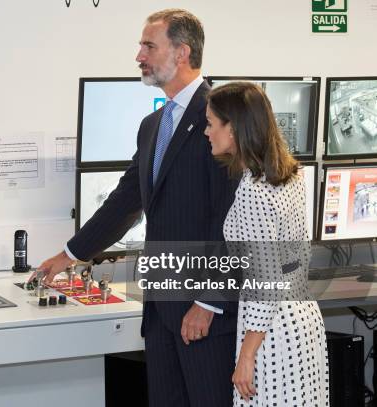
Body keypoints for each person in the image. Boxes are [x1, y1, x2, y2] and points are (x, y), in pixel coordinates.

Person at [37, 9, 238, 407]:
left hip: (204, 313)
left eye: (149, 45)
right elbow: (127, 200)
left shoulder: (220, 118)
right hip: (162, 311)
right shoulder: (152, 124)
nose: (139, 56)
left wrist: (208, 301)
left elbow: (230, 221)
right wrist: (70, 254)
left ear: (182, 52)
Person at [204, 82, 329, 406]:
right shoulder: (288, 175)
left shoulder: (253, 192)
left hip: (272, 334)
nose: (207, 132)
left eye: (211, 123)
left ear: (233, 128)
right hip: (303, 319)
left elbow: (265, 283)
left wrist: (246, 356)